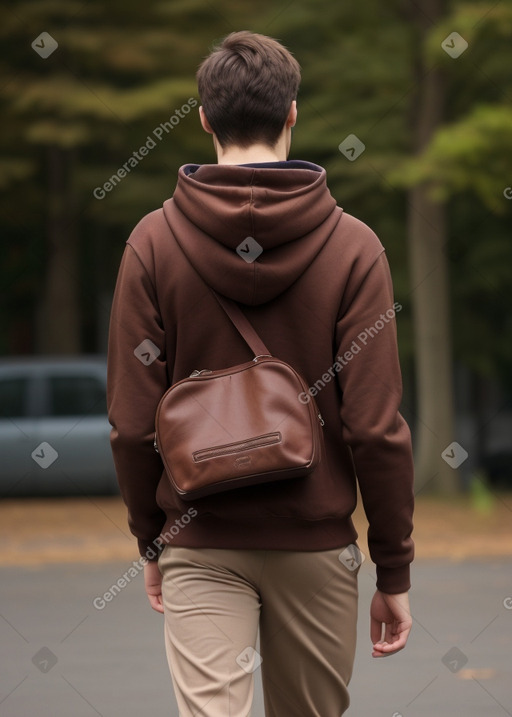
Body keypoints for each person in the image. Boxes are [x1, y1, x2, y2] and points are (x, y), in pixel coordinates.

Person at [107, 30, 414, 717]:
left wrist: (150, 538)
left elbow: (131, 424)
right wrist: (394, 567)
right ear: (293, 113)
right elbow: (375, 428)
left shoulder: (151, 244)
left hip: (200, 536)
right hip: (318, 546)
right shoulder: (355, 247)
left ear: (205, 119)